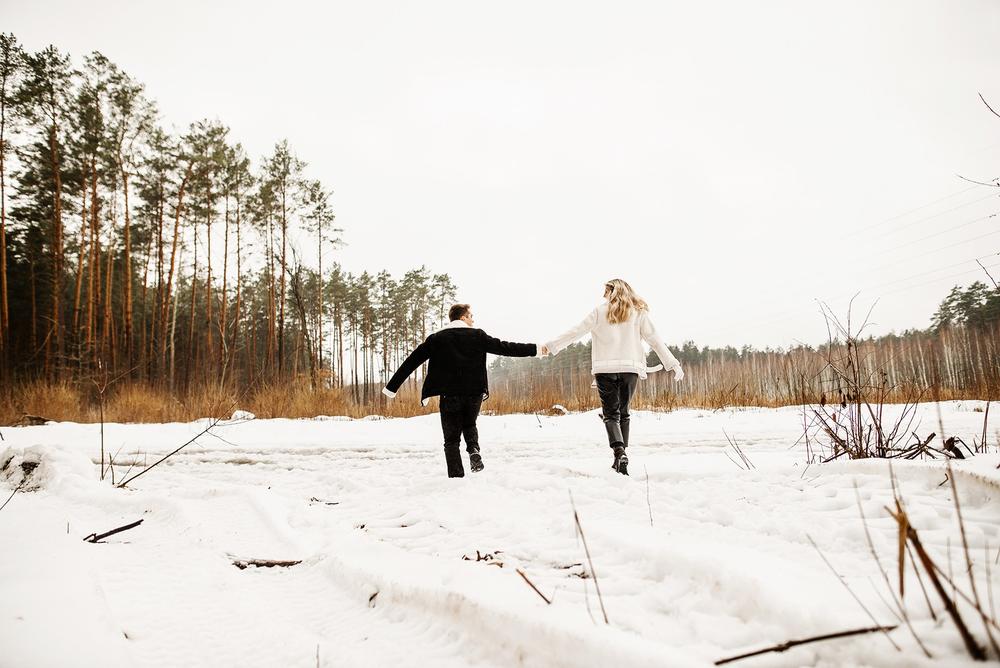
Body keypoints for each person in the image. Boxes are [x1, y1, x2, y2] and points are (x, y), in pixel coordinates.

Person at [382, 303, 543, 478]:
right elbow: (506, 347)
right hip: (475, 393)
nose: (473, 320)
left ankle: (456, 478)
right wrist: (536, 349)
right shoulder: (478, 336)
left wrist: (392, 387)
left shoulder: (437, 338)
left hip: (449, 394)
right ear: (462, 317)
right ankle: (473, 448)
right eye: (471, 316)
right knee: (470, 423)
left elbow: (412, 361)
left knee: (451, 440)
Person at [543, 279, 684, 475]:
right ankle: (621, 456)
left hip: (605, 370)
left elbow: (576, 331)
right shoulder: (638, 313)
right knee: (624, 413)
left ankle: (619, 453)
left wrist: (551, 346)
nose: (603, 296)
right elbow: (655, 340)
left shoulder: (599, 312)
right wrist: (673, 364)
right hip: (630, 369)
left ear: (613, 291)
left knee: (611, 414)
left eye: (605, 291)